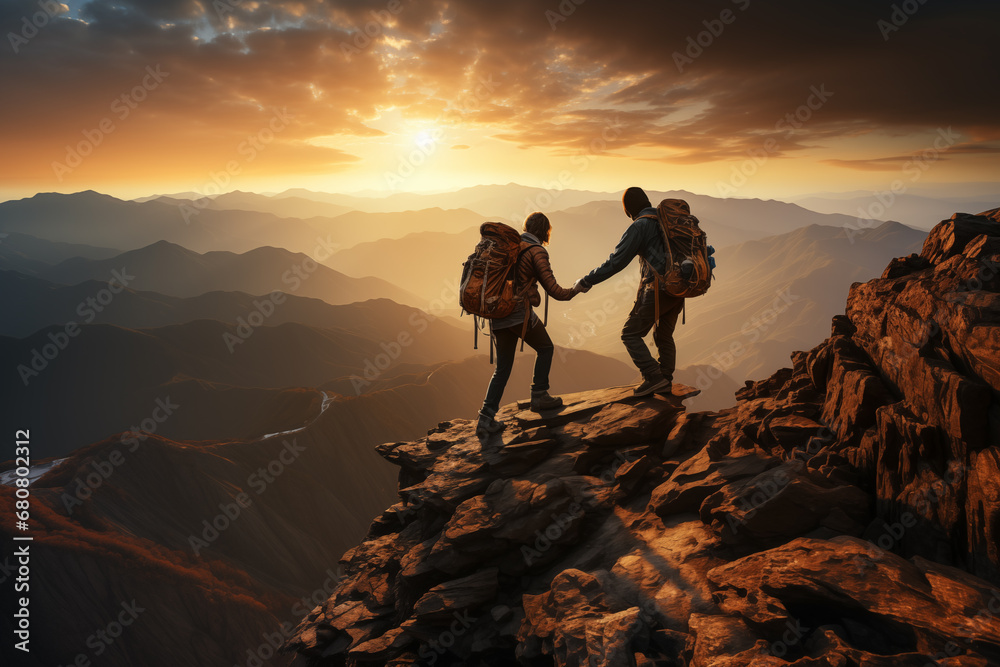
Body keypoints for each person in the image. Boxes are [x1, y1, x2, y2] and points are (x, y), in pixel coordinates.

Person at [477, 212, 582, 436]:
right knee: (546, 348)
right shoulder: (536, 252)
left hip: (497, 313)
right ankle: (539, 395)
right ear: (545, 231)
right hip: (517, 313)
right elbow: (554, 290)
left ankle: (485, 417)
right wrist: (576, 290)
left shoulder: (510, 247)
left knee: (502, 368)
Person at [573, 187, 684, 397]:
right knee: (663, 335)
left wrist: (586, 281)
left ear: (628, 210)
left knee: (630, 334)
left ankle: (653, 377)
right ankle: (666, 379)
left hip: (657, 289)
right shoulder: (666, 221)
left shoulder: (640, 226)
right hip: (679, 288)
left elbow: (616, 261)